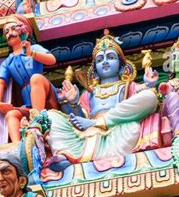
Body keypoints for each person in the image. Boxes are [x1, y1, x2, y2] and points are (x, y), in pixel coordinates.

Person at [47, 29, 160, 164]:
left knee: (149, 97)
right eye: (100, 59)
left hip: (117, 131)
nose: (105, 62)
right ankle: (64, 154)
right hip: (86, 134)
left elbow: (146, 101)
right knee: (51, 116)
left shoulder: (128, 85)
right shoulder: (89, 92)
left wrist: (149, 84)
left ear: (121, 66)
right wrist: (73, 103)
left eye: (111, 57)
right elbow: (80, 121)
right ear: (95, 69)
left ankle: (93, 134)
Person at [0, 15, 58, 143]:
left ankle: (38, 121)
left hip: (45, 94)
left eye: (13, 28)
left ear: (25, 31)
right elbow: (0, 80)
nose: (9, 33)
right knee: (11, 114)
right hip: (28, 105)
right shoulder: (8, 61)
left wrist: (31, 53)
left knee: (35, 78)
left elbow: (52, 60)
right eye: (6, 32)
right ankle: (18, 147)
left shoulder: (33, 48)